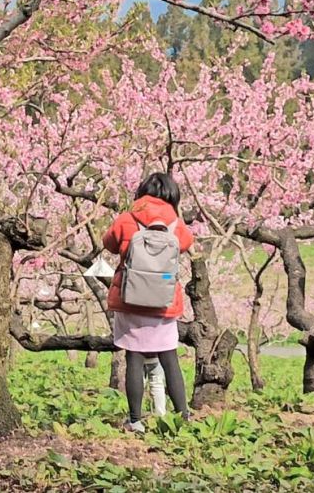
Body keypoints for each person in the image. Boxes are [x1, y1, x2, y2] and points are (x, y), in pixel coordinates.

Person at [102, 171, 194, 432]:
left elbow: (108, 243)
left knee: (134, 358)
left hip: (131, 299)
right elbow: (187, 244)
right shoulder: (176, 223)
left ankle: (135, 421)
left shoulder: (127, 217)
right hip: (163, 301)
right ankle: (182, 417)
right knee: (170, 358)